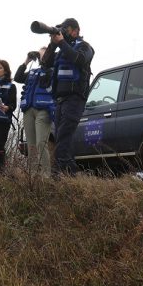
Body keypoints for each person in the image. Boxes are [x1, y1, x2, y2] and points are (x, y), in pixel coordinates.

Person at [40, 18, 94, 176]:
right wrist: (52, 44)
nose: (64, 32)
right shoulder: (60, 50)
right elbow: (45, 63)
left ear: (75, 31)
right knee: (63, 138)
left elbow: (80, 59)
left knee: (63, 136)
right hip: (59, 101)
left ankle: (58, 175)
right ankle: (71, 175)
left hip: (75, 99)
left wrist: (62, 43)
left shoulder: (85, 47)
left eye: (66, 29)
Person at [14, 47, 54, 176]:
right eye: (40, 55)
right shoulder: (33, 72)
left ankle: (46, 176)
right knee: (31, 145)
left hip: (44, 109)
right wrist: (27, 60)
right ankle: (32, 176)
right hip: (28, 110)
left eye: (44, 54)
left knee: (41, 143)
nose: (41, 57)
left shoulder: (54, 70)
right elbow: (18, 77)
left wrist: (47, 63)